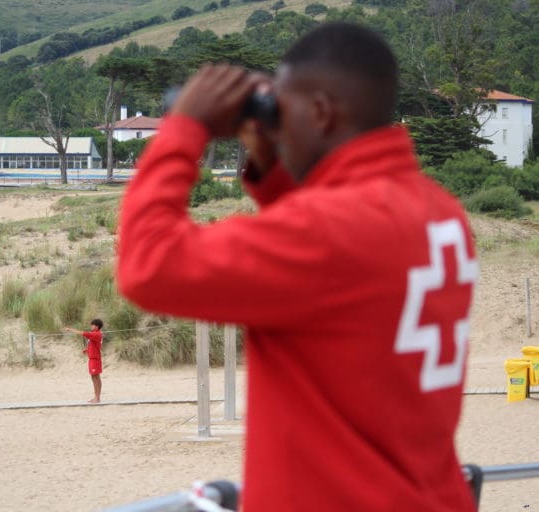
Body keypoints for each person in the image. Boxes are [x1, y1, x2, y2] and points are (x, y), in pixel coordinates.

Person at [117, 22, 477, 511]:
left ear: (322, 113)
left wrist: (184, 128)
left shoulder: (326, 233)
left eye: (284, 112)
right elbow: (335, 269)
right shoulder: (440, 212)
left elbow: (148, 266)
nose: (278, 126)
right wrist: (272, 165)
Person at [65, 319, 104, 403]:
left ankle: (97, 398)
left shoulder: (97, 334)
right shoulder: (95, 334)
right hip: (91, 358)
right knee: (93, 377)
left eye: (92, 325)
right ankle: (95, 397)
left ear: (96, 326)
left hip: (95, 359)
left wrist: (71, 329)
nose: (91, 326)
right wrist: (87, 350)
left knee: (96, 378)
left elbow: (83, 333)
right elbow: (94, 345)